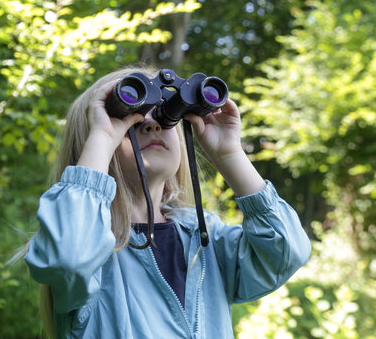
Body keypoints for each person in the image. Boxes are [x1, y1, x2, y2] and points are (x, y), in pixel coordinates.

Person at [24, 67, 311, 338]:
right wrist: (102, 134)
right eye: (129, 121)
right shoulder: (91, 248)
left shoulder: (206, 240)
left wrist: (229, 155)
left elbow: (286, 250)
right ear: (91, 149)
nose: (151, 124)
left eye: (164, 116)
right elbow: (68, 257)